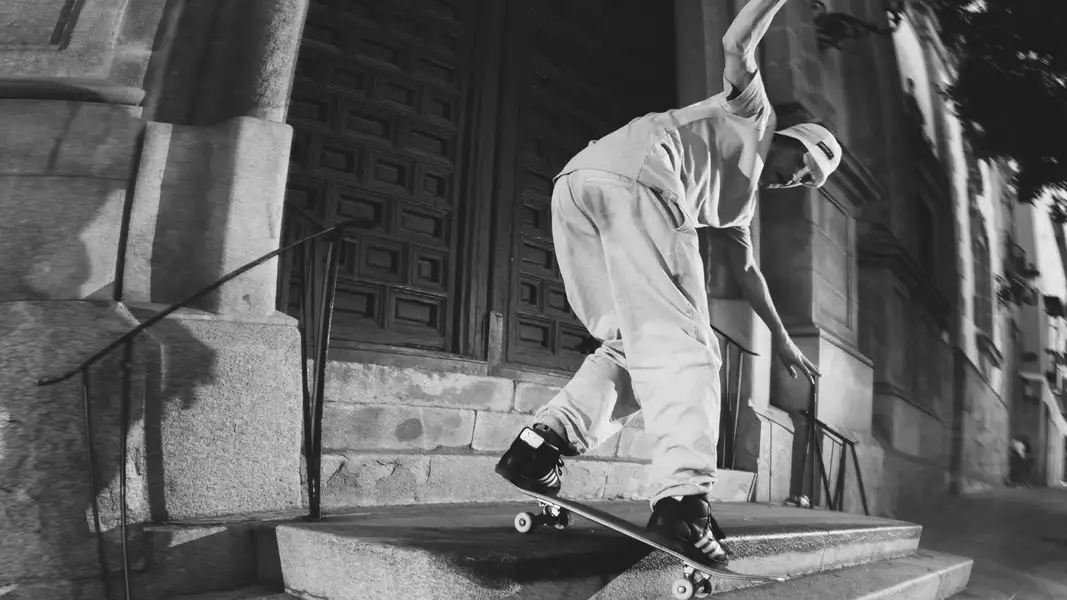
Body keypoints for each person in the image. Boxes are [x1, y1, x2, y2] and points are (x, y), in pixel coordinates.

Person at [495, 0, 841, 565]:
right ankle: (683, 501)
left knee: (633, 343)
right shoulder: (756, 117)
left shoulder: (739, 208)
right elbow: (735, 44)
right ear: (790, 139)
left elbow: (749, 272)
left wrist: (780, 337)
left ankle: (543, 444)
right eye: (802, 164)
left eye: (809, 182)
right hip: (645, 180)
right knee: (691, 348)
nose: (798, 179)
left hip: (580, 186)